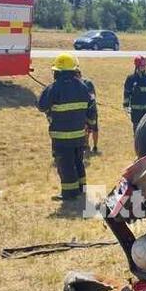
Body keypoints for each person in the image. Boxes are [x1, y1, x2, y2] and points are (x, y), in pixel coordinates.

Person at [37, 53, 97, 201]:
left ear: (57, 71)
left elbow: (41, 106)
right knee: (78, 161)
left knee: (65, 165)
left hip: (61, 136)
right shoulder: (84, 87)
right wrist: (91, 125)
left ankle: (69, 193)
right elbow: (92, 109)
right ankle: (81, 188)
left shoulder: (53, 88)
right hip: (79, 135)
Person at [122, 55, 146, 131]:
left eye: (145, 65)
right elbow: (127, 93)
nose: (144, 67)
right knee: (137, 131)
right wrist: (126, 105)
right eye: (142, 66)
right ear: (137, 66)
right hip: (136, 112)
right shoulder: (131, 78)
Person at [76, 69, 100, 153]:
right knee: (85, 129)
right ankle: (86, 145)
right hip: (82, 111)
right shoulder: (75, 85)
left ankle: (95, 146)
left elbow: (92, 97)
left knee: (94, 128)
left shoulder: (88, 83)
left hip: (91, 110)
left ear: (80, 75)